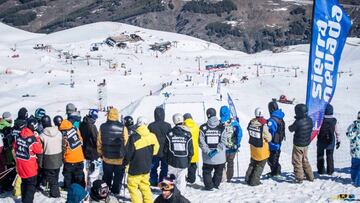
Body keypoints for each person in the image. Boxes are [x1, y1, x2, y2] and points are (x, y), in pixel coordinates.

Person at [123, 117, 159, 203]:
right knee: (145, 186)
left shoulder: (133, 137)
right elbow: (155, 150)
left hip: (135, 168)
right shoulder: (152, 136)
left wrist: (124, 163)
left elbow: (128, 154)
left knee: (133, 187)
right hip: (147, 166)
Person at [97, 108, 128, 195]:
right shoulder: (123, 127)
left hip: (107, 157)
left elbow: (99, 142)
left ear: (109, 115)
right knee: (118, 177)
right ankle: (115, 192)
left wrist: (100, 153)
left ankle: (105, 192)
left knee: (107, 176)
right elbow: (126, 142)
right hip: (120, 158)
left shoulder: (102, 127)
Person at [13, 121, 43, 203]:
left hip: (20, 165)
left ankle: (24, 200)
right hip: (29, 167)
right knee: (30, 186)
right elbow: (39, 150)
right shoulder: (32, 139)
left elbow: (15, 147)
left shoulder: (19, 136)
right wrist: (37, 138)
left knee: (24, 183)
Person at [164, 113, 193, 194]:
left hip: (172, 160)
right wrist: (189, 160)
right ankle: (179, 196)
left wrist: (167, 159)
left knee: (170, 178)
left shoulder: (170, 133)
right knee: (181, 180)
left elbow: (165, 149)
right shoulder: (187, 134)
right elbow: (191, 150)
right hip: (183, 161)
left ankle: (169, 194)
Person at [199, 108, 226, 190]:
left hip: (208, 157)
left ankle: (209, 186)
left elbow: (201, 141)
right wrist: (217, 150)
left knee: (207, 171)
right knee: (219, 171)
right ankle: (215, 185)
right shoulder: (221, 127)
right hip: (220, 156)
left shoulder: (203, 127)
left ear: (208, 115)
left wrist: (208, 151)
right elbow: (224, 140)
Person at [245, 108, 272, 186]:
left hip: (253, 147)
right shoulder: (263, 125)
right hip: (262, 149)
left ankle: (247, 178)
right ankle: (254, 181)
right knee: (260, 165)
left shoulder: (251, 122)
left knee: (252, 163)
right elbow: (269, 138)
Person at [288, 104, 314, 183]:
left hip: (298, 144)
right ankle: (310, 176)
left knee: (297, 160)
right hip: (306, 143)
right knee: (305, 159)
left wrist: (296, 121)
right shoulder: (309, 119)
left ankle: (299, 177)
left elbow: (291, 129)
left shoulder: (298, 122)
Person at [39, 115, 63, 198]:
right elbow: (62, 145)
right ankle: (53, 189)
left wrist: (40, 162)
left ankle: (55, 194)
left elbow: (40, 151)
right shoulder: (58, 132)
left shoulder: (42, 136)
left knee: (52, 178)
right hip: (58, 157)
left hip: (48, 159)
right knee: (55, 175)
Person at [59, 119, 85, 190]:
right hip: (80, 157)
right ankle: (81, 187)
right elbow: (81, 140)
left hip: (69, 159)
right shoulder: (75, 129)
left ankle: (68, 188)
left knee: (68, 175)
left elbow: (63, 148)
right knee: (79, 174)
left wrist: (63, 157)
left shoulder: (63, 134)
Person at [148, 107, 171, 186]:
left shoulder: (151, 126)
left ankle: (153, 180)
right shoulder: (168, 125)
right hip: (165, 150)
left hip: (154, 150)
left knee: (153, 167)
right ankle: (162, 181)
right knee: (164, 167)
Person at [219, 106, 243, 182]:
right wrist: (237, 143)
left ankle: (222, 177)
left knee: (222, 163)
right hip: (232, 147)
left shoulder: (219, 123)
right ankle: (229, 177)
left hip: (222, 148)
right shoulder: (234, 123)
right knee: (230, 162)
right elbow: (239, 134)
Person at [317, 104, 340, 175]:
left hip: (321, 140)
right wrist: (338, 140)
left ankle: (321, 170)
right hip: (331, 141)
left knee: (320, 155)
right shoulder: (334, 120)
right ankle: (330, 171)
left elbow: (317, 130)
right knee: (330, 156)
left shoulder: (320, 120)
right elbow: (337, 131)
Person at [79, 109, 100, 190]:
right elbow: (96, 139)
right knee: (92, 172)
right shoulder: (92, 126)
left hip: (85, 149)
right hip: (92, 151)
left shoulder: (82, 123)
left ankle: (86, 184)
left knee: (87, 169)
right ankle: (90, 187)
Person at [266, 101, 286, 177]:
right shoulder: (280, 117)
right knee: (276, 157)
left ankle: (275, 173)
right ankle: (275, 172)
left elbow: (271, 131)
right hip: (279, 141)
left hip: (273, 142)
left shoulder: (271, 120)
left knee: (272, 159)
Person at [183, 113, 200, 184]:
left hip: (185, 149)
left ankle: (183, 179)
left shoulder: (183, 126)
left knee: (183, 165)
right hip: (194, 149)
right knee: (193, 165)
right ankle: (192, 179)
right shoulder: (197, 126)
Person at [346, 111, 360, 187]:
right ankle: (358, 182)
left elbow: (349, 135)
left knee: (354, 166)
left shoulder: (353, 126)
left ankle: (354, 179)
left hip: (354, 151)